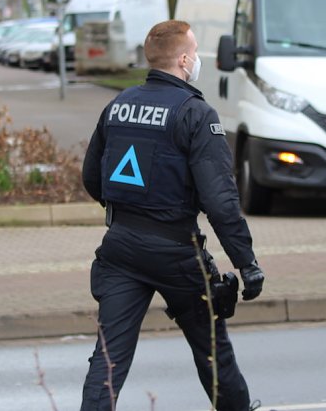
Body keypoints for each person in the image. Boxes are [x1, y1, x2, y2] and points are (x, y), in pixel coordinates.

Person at [80, 20, 264, 411]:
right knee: (213, 352)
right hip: (177, 253)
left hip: (121, 249)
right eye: (195, 53)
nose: (196, 60)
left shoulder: (118, 105)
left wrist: (130, 210)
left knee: (108, 360)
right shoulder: (196, 114)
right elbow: (221, 201)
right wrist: (246, 264)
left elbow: (92, 178)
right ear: (183, 59)